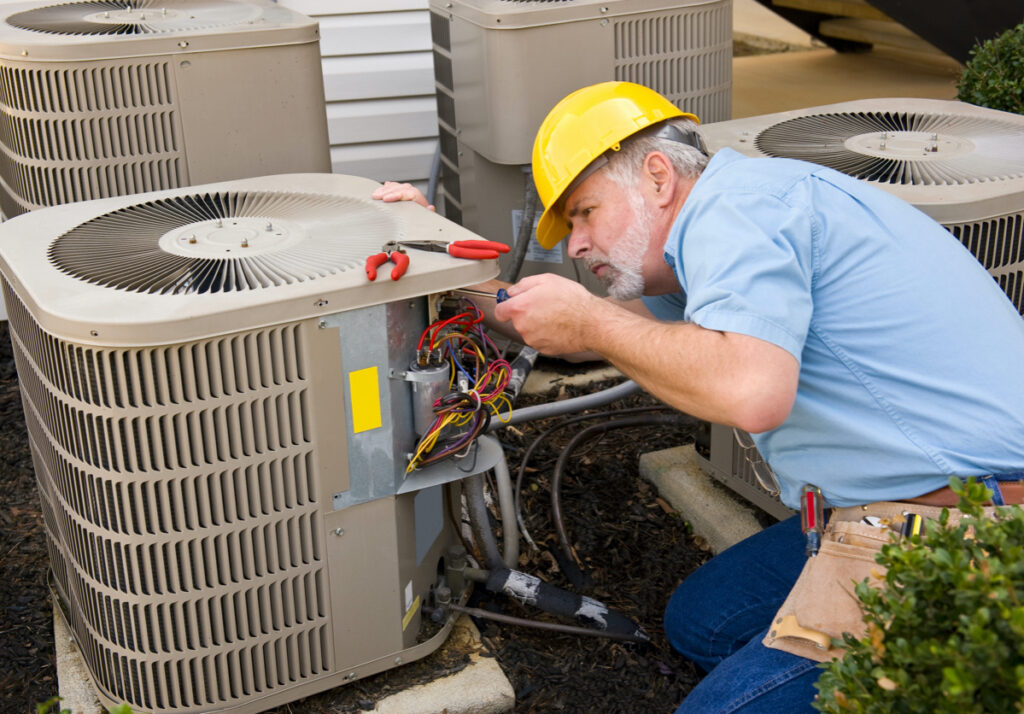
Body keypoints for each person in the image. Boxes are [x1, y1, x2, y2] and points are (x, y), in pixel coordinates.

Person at [376, 81, 1024, 712]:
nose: (572, 244)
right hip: (887, 497)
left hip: (969, 520)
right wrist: (445, 262)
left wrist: (595, 321)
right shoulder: (703, 237)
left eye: (584, 212)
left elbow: (750, 392)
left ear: (658, 176)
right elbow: (577, 335)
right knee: (701, 624)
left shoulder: (736, 212)